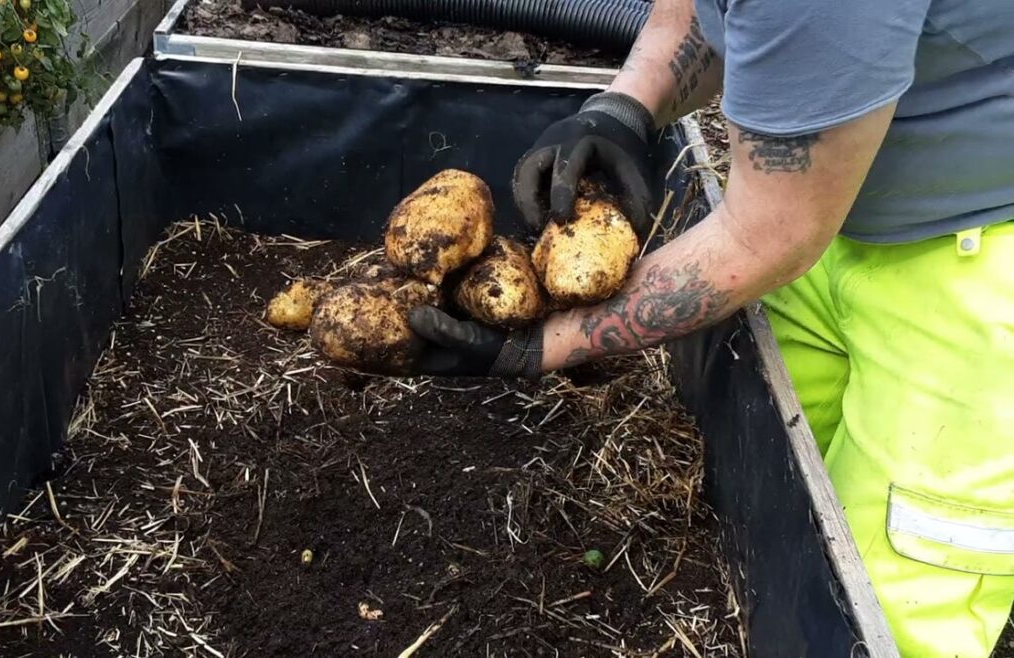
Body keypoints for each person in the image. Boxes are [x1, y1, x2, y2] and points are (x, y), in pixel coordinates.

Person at [404, 0, 1014, 655]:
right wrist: (625, 109)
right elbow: (697, 11)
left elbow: (768, 235)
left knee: (895, 603)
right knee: (774, 506)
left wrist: (540, 345)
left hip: (975, 268)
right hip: (830, 207)